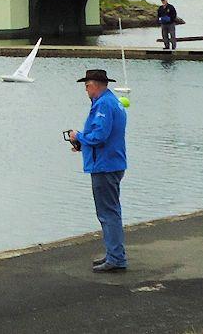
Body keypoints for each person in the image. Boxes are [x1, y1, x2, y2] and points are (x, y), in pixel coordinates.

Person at [68, 69, 129, 272]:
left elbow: (100, 135)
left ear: (95, 85)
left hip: (105, 165)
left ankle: (116, 259)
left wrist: (79, 137)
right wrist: (84, 144)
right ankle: (114, 254)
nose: (85, 89)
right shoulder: (112, 102)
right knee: (110, 211)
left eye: (87, 85)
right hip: (111, 162)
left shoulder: (104, 104)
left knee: (107, 213)